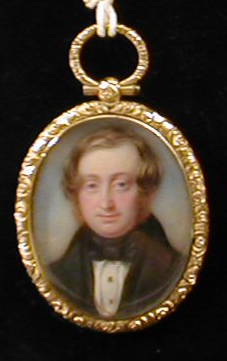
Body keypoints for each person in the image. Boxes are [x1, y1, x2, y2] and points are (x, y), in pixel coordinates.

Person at [49, 127, 184, 319]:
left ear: (146, 192)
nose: (106, 203)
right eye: (92, 186)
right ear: (76, 194)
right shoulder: (58, 273)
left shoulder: (172, 269)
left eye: (121, 185)